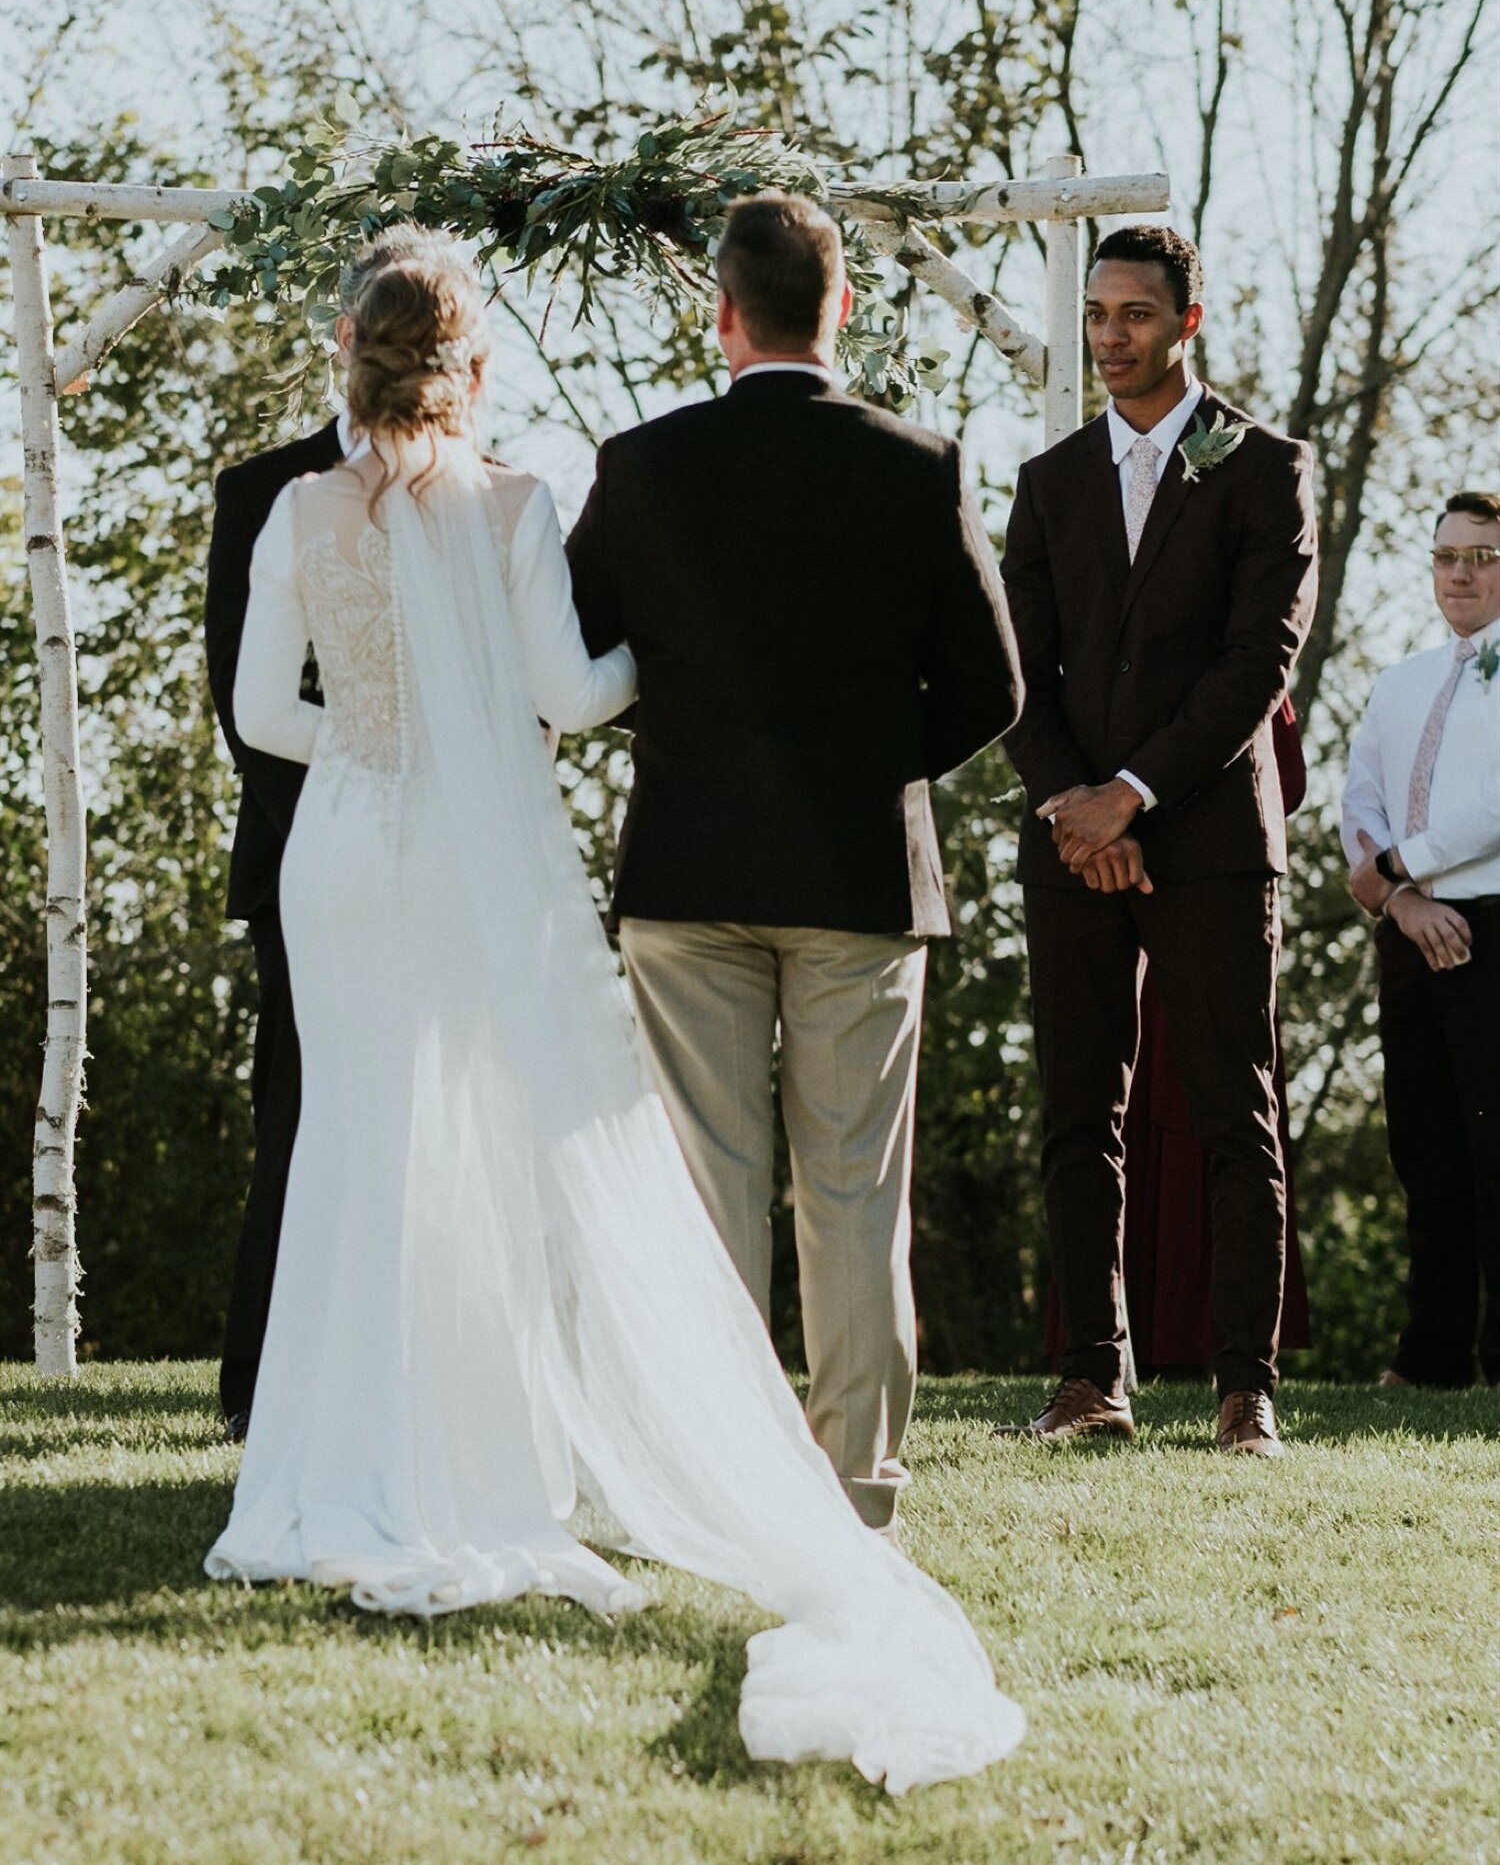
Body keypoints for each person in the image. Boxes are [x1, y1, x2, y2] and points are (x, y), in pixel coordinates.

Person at [205, 244, 1025, 1792]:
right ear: (476, 363)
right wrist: (748, 691)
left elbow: (260, 715)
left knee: (358, 1144)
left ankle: (324, 1470)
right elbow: (576, 696)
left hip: (348, 854)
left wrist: (382, 736)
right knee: (514, 1156)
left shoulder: (303, 510)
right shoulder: (519, 500)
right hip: (511, 861)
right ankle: (610, 1471)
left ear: (350, 354)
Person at [565, 191, 1022, 1532]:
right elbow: (992, 690)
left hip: (690, 870)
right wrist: (874, 761)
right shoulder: (917, 464)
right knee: (852, 1189)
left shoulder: (642, 466)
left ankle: (711, 1476)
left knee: (705, 1181)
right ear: (841, 310)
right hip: (861, 880)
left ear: (723, 315)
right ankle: (859, 1490)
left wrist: (682, 729)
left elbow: (575, 668)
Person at [997, 224, 1318, 1457]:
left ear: (1187, 320)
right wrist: (1079, 804)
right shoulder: (1048, 479)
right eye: (1097, 314)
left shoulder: (1265, 466)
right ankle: (1091, 1378)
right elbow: (1017, 670)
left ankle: (1246, 1387)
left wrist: (1133, 793)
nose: (1110, 335)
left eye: (1134, 313)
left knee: (1240, 1109)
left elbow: (1259, 661)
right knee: (1081, 1113)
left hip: (1209, 841)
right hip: (1074, 842)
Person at [205, 221, 455, 1440]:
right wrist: (386, 750)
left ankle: (422, 1367)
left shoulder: (481, 490)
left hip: (455, 851)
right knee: (299, 1113)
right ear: (343, 333)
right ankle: (260, 1384)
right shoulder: (262, 491)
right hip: (314, 853)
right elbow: (242, 708)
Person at [1041, 698, 1313, 1375]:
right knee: (1090, 1120)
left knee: (1230, 1124)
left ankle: (1239, 1372)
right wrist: (1092, 816)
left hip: (1212, 885)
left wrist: (1132, 800)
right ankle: (1097, 1365)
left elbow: (1286, 772)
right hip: (1084, 861)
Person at [1341, 489, 1500, 1391]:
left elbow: (1493, 808)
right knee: (1425, 1151)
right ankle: (1431, 1357)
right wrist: (1400, 901)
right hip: (1409, 935)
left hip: (1494, 925)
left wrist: (1402, 862)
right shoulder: (1398, 681)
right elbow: (1357, 799)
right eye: (1448, 555)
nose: (1460, 573)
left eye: (1481, 556)